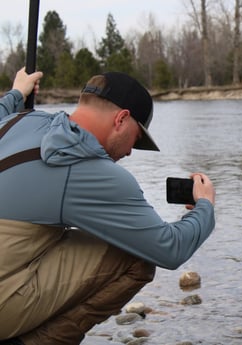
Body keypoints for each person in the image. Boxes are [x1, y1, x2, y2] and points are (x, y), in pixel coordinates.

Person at [0, 70, 216, 344]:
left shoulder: (18, 120)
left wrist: (16, 93)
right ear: (121, 119)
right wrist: (205, 207)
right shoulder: (86, 166)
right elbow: (170, 249)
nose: (129, 152)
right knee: (136, 256)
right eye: (136, 140)